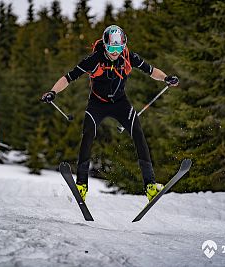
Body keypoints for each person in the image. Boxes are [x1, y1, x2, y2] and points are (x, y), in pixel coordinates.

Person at [41, 25, 179, 202]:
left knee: (138, 133)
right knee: (88, 134)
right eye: (112, 48)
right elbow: (68, 77)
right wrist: (53, 92)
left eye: (119, 48)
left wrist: (166, 78)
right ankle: (81, 185)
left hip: (120, 103)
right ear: (105, 45)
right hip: (97, 103)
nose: (115, 52)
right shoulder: (95, 59)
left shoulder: (128, 56)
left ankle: (150, 186)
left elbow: (151, 71)